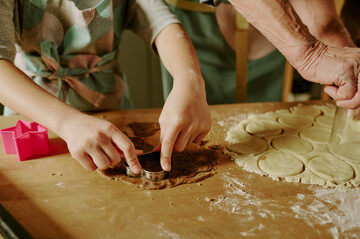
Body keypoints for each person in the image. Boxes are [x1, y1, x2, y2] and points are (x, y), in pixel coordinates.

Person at [0, 0, 211, 173]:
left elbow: (161, 22)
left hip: (111, 113)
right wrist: (67, 122)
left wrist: (189, 80)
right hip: (34, 123)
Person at [163, 0, 356, 105]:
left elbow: (319, 17)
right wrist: (310, 55)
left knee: (267, 128)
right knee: (199, 117)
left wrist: (341, 51)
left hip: (279, 20)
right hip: (195, 20)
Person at [161, 0, 287, 104]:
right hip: (193, 22)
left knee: (269, 118)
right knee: (192, 102)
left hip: (272, 19)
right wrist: (185, 76)